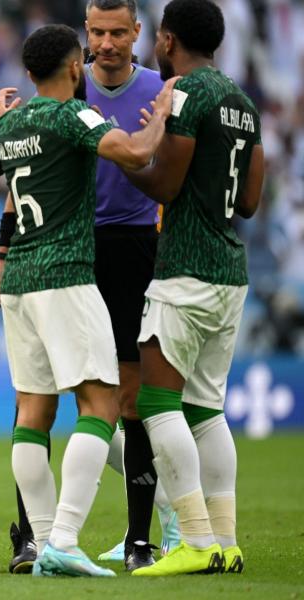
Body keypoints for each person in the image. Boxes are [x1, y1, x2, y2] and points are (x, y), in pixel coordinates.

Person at [0, 24, 176, 576]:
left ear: (28, 74)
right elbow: (134, 153)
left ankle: (45, 542)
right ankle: (66, 539)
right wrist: (164, 110)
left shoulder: (14, 123)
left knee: (32, 413)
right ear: (76, 68)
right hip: (66, 278)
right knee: (102, 405)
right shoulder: (70, 115)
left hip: (21, 282)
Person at [119, 0, 263, 576]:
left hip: (184, 268)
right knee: (206, 410)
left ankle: (195, 541)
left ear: (168, 38)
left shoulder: (185, 91)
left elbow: (165, 184)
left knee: (156, 402)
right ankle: (225, 543)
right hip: (231, 270)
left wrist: (123, 153)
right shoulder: (242, 101)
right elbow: (250, 201)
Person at [80, 0, 181, 571]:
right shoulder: (68, 90)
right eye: (98, 32)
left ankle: (142, 536)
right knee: (74, 399)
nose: (109, 44)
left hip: (140, 247)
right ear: (85, 32)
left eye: (119, 32)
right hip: (75, 249)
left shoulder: (161, 90)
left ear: (138, 32)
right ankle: (42, 535)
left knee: (133, 398)